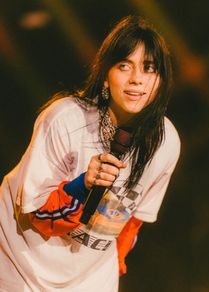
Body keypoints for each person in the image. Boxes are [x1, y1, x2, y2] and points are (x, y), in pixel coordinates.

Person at [0, 15, 180, 292]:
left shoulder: (166, 142)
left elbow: (133, 221)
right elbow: (38, 217)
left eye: (149, 69)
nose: (136, 80)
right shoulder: (66, 119)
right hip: (19, 259)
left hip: (87, 278)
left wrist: (114, 265)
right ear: (106, 77)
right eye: (124, 66)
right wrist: (81, 186)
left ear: (161, 81)